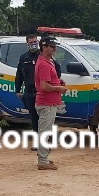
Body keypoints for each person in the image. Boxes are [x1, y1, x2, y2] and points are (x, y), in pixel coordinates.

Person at [15, 33, 61, 150]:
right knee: (34, 119)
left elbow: (56, 70)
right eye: (31, 42)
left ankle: (44, 144)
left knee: (44, 120)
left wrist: (56, 83)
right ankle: (39, 143)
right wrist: (17, 90)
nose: (33, 44)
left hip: (42, 92)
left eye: (35, 41)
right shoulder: (23, 58)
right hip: (29, 92)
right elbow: (19, 75)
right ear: (27, 43)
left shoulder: (44, 58)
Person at [34, 36, 68, 169]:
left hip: (49, 102)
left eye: (55, 46)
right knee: (44, 132)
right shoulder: (43, 63)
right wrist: (58, 88)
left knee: (45, 131)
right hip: (46, 103)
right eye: (52, 46)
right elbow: (44, 86)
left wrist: (57, 83)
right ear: (44, 47)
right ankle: (42, 161)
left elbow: (48, 82)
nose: (54, 49)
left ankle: (43, 158)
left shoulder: (48, 61)